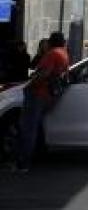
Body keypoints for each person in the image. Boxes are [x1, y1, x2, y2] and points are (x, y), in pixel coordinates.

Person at [14, 31, 69, 172]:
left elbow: (44, 74)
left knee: (28, 129)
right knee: (37, 128)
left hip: (38, 94)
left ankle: (23, 164)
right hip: (48, 96)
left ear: (51, 42)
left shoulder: (52, 54)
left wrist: (29, 86)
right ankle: (34, 157)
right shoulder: (64, 54)